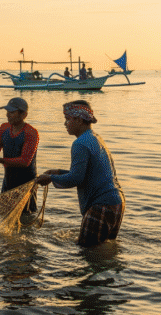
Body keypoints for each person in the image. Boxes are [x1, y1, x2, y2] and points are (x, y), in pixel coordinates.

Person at [37, 101, 124, 247]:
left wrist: (50, 178)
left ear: (79, 120)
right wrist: (57, 173)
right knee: (103, 249)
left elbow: (76, 178)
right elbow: (86, 175)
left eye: (68, 119)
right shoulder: (95, 138)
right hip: (116, 202)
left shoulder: (80, 143)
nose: (65, 124)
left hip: (101, 204)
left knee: (86, 251)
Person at [0, 97, 39, 214]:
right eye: (7, 111)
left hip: (26, 183)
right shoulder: (4, 128)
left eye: (12, 112)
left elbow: (25, 162)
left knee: (26, 215)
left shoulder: (31, 133)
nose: (8, 115)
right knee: (4, 213)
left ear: (23, 115)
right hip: (8, 180)